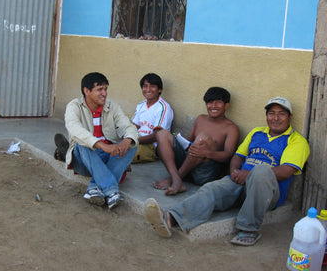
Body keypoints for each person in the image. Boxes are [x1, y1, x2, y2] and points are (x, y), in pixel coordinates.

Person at [144, 97, 310, 246]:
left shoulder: (296, 141)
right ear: (266, 116)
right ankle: (172, 218)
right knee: (211, 189)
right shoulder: (257, 132)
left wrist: (249, 175)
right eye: (271, 113)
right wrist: (235, 171)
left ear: (290, 117)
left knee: (261, 171)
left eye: (281, 114)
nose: (275, 118)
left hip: (266, 190)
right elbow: (238, 156)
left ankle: (248, 229)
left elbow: (286, 171)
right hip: (240, 181)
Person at [55, 72, 139, 210]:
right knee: (82, 142)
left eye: (105, 89)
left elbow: (128, 126)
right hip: (85, 160)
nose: (104, 93)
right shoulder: (74, 106)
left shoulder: (112, 106)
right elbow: (74, 128)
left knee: (132, 145)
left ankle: (94, 189)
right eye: (100, 89)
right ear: (86, 91)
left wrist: (127, 139)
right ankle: (111, 191)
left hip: (107, 157)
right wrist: (101, 145)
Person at [152, 87, 240, 195]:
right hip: (188, 165)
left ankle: (174, 179)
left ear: (226, 105)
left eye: (218, 103)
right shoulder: (200, 119)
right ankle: (177, 179)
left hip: (204, 174)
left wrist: (207, 153)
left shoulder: (231, 128)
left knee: (203, 137)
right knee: (162, 134)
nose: (213, 106)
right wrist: (177, 139)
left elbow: (228, 155)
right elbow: (188, 143)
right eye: (210, 102)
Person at [131, 73, 174, 163]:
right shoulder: (141, 105)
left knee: (122, 155)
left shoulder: (163, 107)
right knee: (113, 148)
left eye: (152, 86)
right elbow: (134, 126)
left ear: (159, 90)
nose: (148, 90)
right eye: (145, 86)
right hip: (138, 139)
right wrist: (128, 137)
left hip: (151, 146)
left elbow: (156, 136)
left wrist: (133, 141)